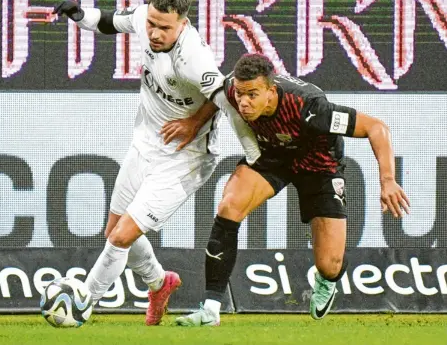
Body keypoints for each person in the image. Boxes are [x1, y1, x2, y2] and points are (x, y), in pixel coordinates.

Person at [53, 0, 259, 326]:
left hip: (185, 158)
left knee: (122, 237)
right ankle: (159, 283)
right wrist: (79, 15)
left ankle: (80, 305)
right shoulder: (144, 18)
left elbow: (229, 100)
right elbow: (109, 21)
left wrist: (203, 126)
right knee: (114, 231)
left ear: (183, 23)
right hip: (145, 143)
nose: (154, 32)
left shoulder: (194, 58)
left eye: (164, 27)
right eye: (152, 23)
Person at [175, 53, 411, 326]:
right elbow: (218, 97)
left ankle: (329, 279)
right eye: (240, 94)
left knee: (329, 264)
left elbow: (376, 127)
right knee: (229, 206)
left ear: (271, 91)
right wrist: (193, 122)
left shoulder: (310, 108)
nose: (243, 102)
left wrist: (388, 180)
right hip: (273, 157)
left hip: (319, 166)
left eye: (252, 95)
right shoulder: (233, 89)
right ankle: (211, 309)